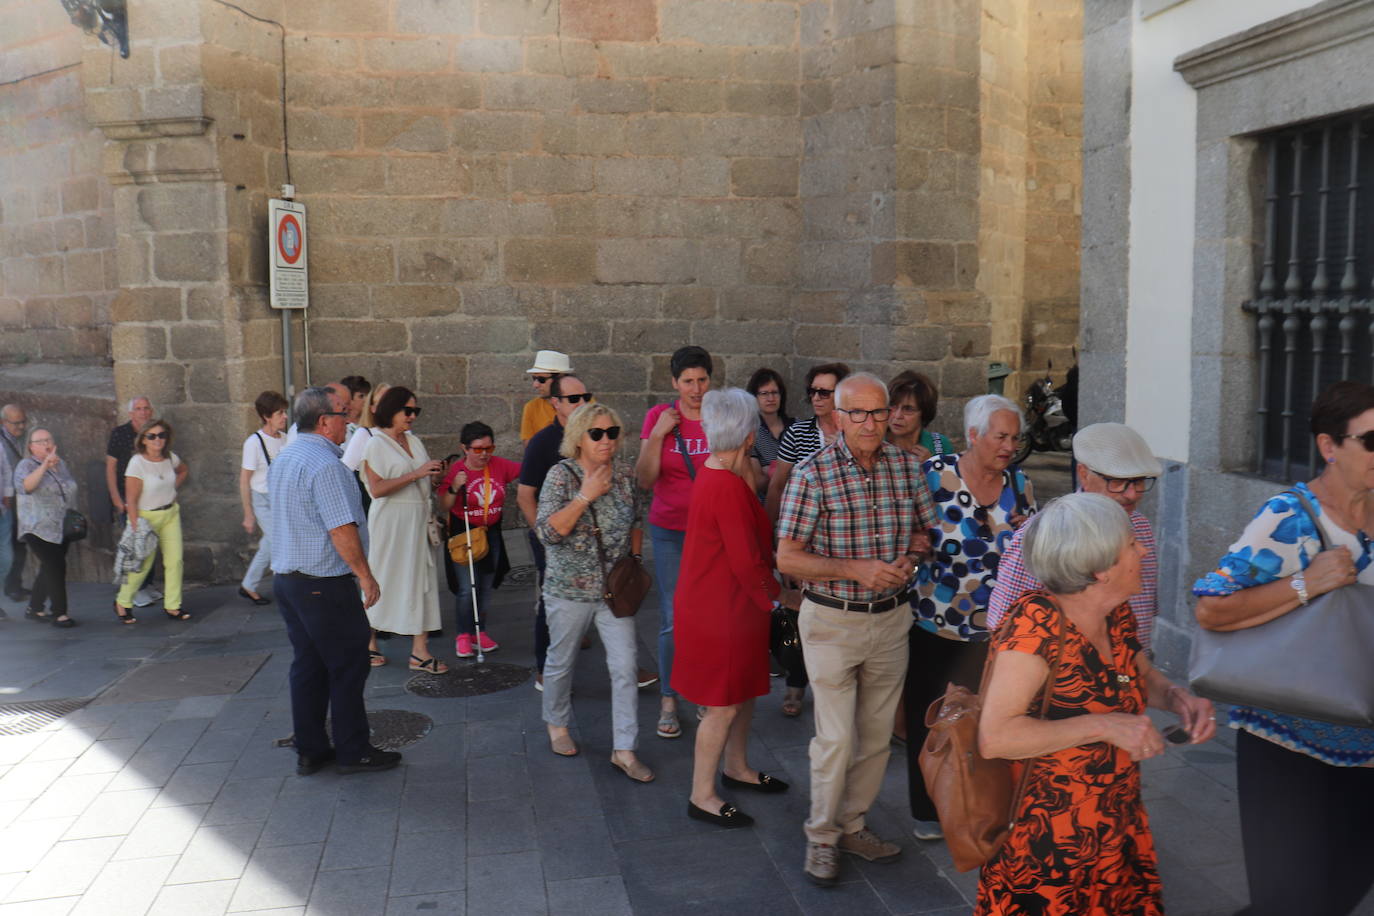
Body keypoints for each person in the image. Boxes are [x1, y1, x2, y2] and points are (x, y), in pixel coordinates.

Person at [977, 493, 1216, 915]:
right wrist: (1105, 725)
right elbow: (996, 737)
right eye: (1131, 545)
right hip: (1048, 846)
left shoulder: (1115, 613)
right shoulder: (1034, 627)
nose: (1143, 549)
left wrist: (1178, 698)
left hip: (1117, 824)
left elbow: (1138, 675)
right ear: (1100, 568)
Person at [1193, 380, 1374, 916]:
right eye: (1372, 440)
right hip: (1288, 742)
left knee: (1339, 889)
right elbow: (1211, 608)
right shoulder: (1290, 517)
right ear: (1329, 446)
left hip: (1365, 741)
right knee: (1289, 900)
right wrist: (1308, 583)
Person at [776, 372, 938, 886]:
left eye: (878, 412)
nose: (871, 423)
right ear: (838, 417)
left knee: (873, 739)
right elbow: (787, 558)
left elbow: (924, 529)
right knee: (836, 739)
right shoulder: (812, 473)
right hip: (830, 621)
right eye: (858, 413)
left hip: (891, 620)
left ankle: (852, 824)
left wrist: (909, 560)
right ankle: (820, 837)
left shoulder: (906, 468)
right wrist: (856, 569)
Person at [904, 393, 1036, 841]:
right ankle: (926, 810)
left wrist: (1027, 534)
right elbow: (909, 527)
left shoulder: (1020, 483)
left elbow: (1035, 550)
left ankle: (979, 805)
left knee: (986, 723)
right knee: (929, 719)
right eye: (1001, 436)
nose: (1009, 446)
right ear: (974, 435)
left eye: (1015, 438)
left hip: (994, 629)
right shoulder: (935, 475)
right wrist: (914, 543)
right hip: (933, 622)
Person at [269, 386, 398, 776]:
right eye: (344, 414)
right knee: (348, 665)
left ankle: (310, 749)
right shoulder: (326, 466)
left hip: (289, 580)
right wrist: (366, 576)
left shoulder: (287, 456)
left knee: (308, 665)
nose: (351, 421)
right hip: (323, 582)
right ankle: (353, 750)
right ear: (324, 421)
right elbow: (341, 529)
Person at [673, 388, 785, 827]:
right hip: (721, 611)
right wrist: (779, 596)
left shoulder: (716, 471)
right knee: (721, 706)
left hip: (727, 607)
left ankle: (736, 767)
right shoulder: (725, 485)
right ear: (748, 435)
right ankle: (701, 794)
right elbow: (745, 561)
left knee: (740, 694)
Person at [537, 401, 653, 783]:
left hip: (613, 593)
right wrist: (585, 495)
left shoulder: (624, 475)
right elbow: (549, 533)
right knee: (561, 660)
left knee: (624, 667)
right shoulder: (561, 476)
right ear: (579, 439)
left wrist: (634, 558)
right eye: (597, 434)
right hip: (568, 590)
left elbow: (637, 516)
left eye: (613, 433)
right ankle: (556, 724)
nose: (607, 440)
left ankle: (625, 748)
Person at [988, 423, 1162, 650]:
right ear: (1083, 474)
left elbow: (1145, 608)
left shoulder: (1141, 528)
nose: (1132, 494)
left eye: (1139, 482)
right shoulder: (1043, 534)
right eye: (1118, 482)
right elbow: (1004, 626)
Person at [636, 345, 713, 740]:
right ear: (674, 383)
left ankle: (700, 689)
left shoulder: (719, 416)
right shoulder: (659, 417)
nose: (696, 389)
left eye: (702, 380)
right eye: (688, 381)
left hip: (711, 533)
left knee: (707, 617)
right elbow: (645, 479)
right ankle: (669, 697)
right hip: (669, 530)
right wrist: (659, 436)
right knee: (672, 617)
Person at [359, 386, 446, 673]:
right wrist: (417, 474)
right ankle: (367, 642)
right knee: (383, 577)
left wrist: (434, 477)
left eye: (415, 411)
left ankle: (419, 652)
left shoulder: (414, 441)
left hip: (418, 518)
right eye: (407, 410)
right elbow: (377, 488)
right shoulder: (375, 444)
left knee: (422, 579)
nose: (412, 416)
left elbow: (421, 479)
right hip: (391, 521)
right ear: (391, 410)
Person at [519, 374, 590, 686]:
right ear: (556, 403)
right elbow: (524, 495)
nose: (582, 404)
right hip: (555, 538)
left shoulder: (595, 434)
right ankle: (545, 669)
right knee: (551, 603)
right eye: (574, 399)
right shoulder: (543, 442)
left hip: (590, 538)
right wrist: (544, 537)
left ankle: (624, 666)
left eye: (586, 397)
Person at [439, 421, 520, 658]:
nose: (484, 454)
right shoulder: (456, 470)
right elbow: (444, 504)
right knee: (467, 588)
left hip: (490, 533)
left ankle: (479, 632)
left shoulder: (500, 465)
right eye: (477, 449)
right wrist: (454, 487)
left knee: (485, 586)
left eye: (488, 448)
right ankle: (463, 635)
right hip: (463, 534)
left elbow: (526, 471)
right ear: (464, 448)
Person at [114, 419, 191, 622]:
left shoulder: (170, 458)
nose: (158, 440)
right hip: (146, 518)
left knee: (175, 561)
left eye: (161, 435)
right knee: (142, 564)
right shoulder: (137, 463)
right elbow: (130, 499)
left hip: (170, 514)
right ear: (144, 440)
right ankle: (123, 601)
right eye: (152, 436)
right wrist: (135, 525)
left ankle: (173, 605)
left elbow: (183, 470)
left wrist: (174, 488)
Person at [764, 362, 851, 522]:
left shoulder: (854, 433)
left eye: (824, 393)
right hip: (804, 521)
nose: (816, 398)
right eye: (813, 391)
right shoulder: (797, 433)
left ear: (841, 395)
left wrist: (846, 449)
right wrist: (767, 533)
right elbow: (777, 486)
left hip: (844, 525)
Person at [13, 428, 78, 627]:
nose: (45, 443)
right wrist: (44, 466)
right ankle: (60, 613)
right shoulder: (25, 464)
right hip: (37, 527)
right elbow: (26, 486)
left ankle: (35, 607)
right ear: (31, 447)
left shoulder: (61, 464)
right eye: (39, 441)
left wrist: (55, 468)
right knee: (56, 566)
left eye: (48, 439)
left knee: (49, 566)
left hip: (60, 527)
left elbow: (70, 487)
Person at [238, 391, 289, 606]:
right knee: (280, 543)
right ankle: (286, 591)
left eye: (284, 412)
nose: (284, 417)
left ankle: (248, 586)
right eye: (280, 413)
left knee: (269, 544)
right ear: (267, 416)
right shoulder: (254, 442)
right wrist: (248, 514)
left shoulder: (285, 439)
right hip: (263, 500)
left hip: (281, 498)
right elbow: (244, 480)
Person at [886, 370, 951, 460]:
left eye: (908, 409)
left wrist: (931, 465)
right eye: (893, 406)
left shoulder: (939, 445)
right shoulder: (875, 444)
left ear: (924, 413)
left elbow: (948, 474)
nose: (897, 416)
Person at [2, 403, 31, 603]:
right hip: (9, 501)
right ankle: (10, 587)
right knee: (10, 545)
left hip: (24, 498)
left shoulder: (26, 437)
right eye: (16, 423)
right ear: (4, 422)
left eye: (23, 421)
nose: (21, 426)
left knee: (20, 544)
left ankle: (15, 584)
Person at [746, 367, 793, 479]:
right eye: (764, 393)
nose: (771, 398)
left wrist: (769, 470)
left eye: (775, 392)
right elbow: (757, 481)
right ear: (754, 397)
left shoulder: (796, 427)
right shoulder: (750, 432)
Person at [521, 350, 571, 444]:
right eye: (534, 379)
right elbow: (531, 450)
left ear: (560, 378)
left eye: (541, 379)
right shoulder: (531, 407)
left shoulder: (583, 402)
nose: (535, 385)